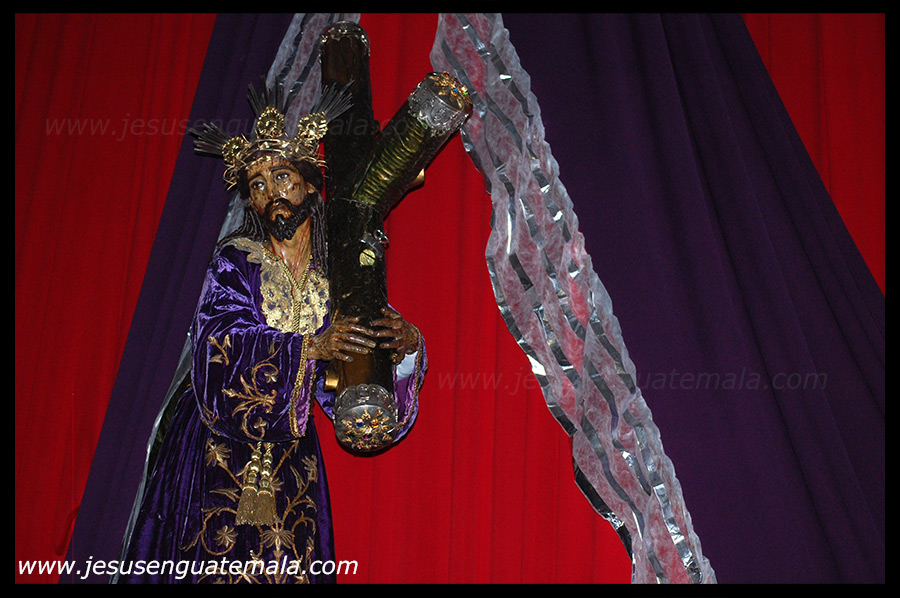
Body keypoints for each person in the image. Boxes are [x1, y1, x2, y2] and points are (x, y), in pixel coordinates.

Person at [116, 83, 426, 584]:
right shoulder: (235, 260)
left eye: (281, 177)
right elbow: (219, 344)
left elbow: (354, 378)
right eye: (257, 185)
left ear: (309, 185)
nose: (270, 193)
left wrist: (403, 347)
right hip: (216, 444)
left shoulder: (336, 273)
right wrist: (308, 348)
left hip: (290, 458)